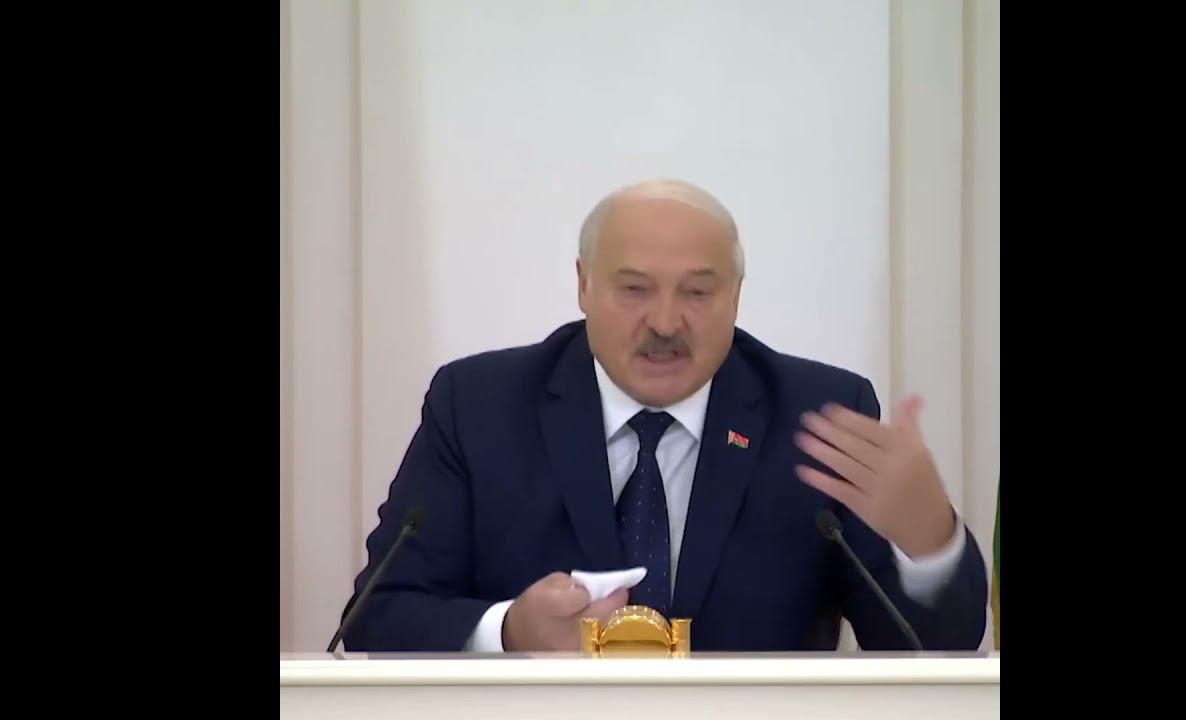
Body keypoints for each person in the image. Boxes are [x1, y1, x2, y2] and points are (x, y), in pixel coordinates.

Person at [339, 179, 988, 652]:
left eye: (698, 292)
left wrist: (931, 544)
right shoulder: (480, 406)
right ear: (583, 285)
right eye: (634, 289)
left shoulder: (817, 419)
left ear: (736, 296)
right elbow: (378, 615)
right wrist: (509, 630)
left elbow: (936, 653)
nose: (666, 322)